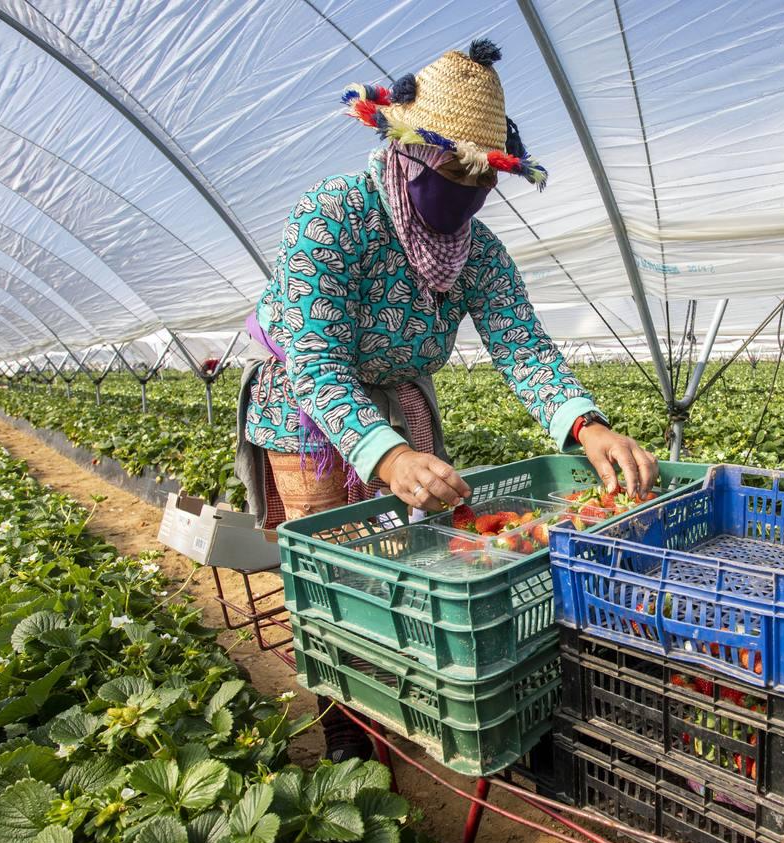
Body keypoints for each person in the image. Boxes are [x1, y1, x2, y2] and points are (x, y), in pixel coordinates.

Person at [234, 38, 656, 759]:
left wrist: (586, 425)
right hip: (304, 410)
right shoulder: (332, 215)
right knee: (329, 565)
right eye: (448, 167)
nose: (463, 189)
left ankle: (403, 687)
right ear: (401, 148)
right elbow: (316, 359)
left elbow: (522, 347)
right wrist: (387, 457)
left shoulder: (478, 252)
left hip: (401, 401)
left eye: (479, 177)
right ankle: (344, 724)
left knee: (406, 553)